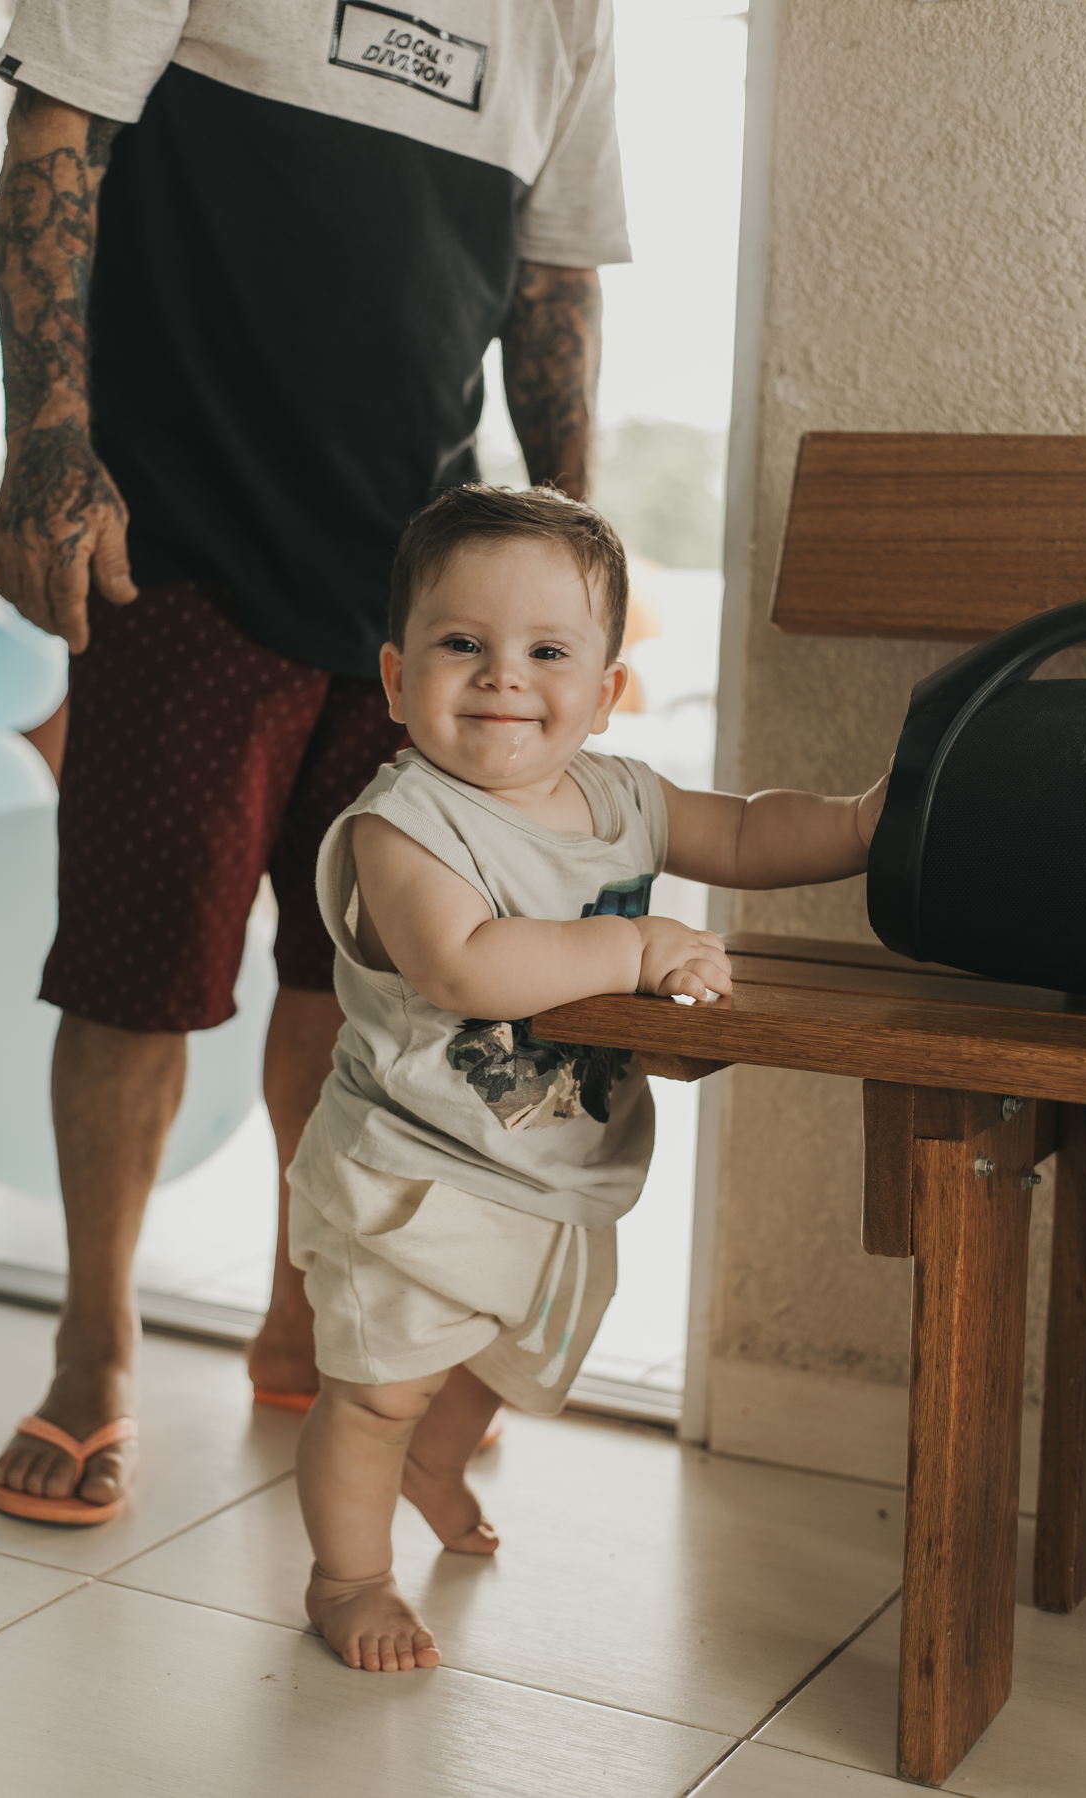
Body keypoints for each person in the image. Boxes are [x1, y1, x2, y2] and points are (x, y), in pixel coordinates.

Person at [0, 1, 630, 1523]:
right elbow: (54, 138)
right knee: (140, 963)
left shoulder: (568, 14)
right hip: (183, 546)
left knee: (369, 977)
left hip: (423, 587)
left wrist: (573, 568)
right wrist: (48, 443)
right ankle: (97, 1350)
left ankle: (317, 1316)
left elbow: (551, 277)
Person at [285, 484, 891, 1672]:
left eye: (547, 650)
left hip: (560, 1167)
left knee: (510, 1355)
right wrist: (635, 947)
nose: (504, 675)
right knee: (378, 1385)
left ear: (605, 690)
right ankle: (346, 1575)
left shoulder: (618, 796)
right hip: (415, 1171)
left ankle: (434, 1464)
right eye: (463, 644)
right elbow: (463, 964)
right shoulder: (403, 824)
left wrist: (865, 823)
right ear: (401, 680)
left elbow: (751, 831)